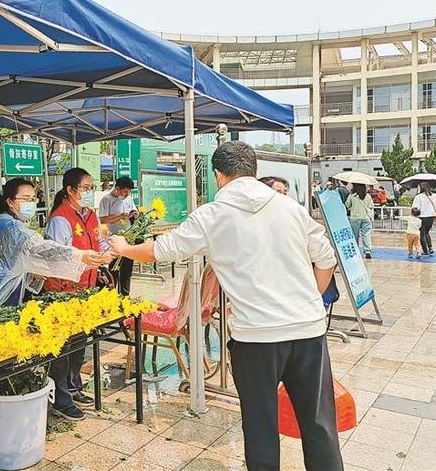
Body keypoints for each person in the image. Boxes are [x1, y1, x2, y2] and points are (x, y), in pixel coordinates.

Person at [109, 141, 341, 471]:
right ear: (254, 171)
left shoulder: (212, 215)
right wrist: (310, 303)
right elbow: (326, 259)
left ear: (219, 175)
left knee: (261, 426)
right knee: (319, 425)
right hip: (308, 331)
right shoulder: (290, 208)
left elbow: (163, 250)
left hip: (256, 338)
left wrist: (123, 247)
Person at [0, 177, 104, 313]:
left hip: (4, 291)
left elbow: (12, 262)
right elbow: (39, 247)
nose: (30, 203)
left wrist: (31, 272)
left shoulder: (8, 223)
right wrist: (79, 255)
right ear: (10, 202)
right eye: (25, 199)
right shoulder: (9, 227)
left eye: (32, 199)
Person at [44, 168, 116, 421]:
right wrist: (88, 260)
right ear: (70, 190)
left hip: (86, 290)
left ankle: (74, 387)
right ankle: (61, 398)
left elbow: (99, 244)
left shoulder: (91, 215)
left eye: (91, 186)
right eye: (85, 187)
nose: (90, 191)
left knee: (79, 345)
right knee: (62, 349)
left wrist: (111, 251)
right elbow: (55, 257)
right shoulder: (59, 219)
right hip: (63, 292)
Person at [99, 176, 139, 296]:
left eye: (129, 192)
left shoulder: (129, 199)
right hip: (115, 239)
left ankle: (125, 296)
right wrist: (119, 217)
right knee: (114, 269)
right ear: (117, 188)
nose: (127, 194)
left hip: (128, 238)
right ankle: (112, 296)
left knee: (127, 270)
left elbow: (133, 211)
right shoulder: (106, 200)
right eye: (124, 191)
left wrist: (135, 214)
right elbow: (102, 220)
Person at [346, 183, 374, 259]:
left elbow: (347, 204)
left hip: (354, 218)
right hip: (366, 218)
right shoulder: (368, 196)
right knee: (366, 234)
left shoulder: (352, 196)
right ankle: (367, 251)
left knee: (355, 235)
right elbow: (371, 206)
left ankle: (355, 250)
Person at [412, 182, 436, 256]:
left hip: (422, 217)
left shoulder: (418, 197)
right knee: (426, 232)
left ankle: (425, 251)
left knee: (422, 234)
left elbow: (415, 208)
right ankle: (430, 248)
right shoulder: (435, 195)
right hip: (431, 217)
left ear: (421, 188)